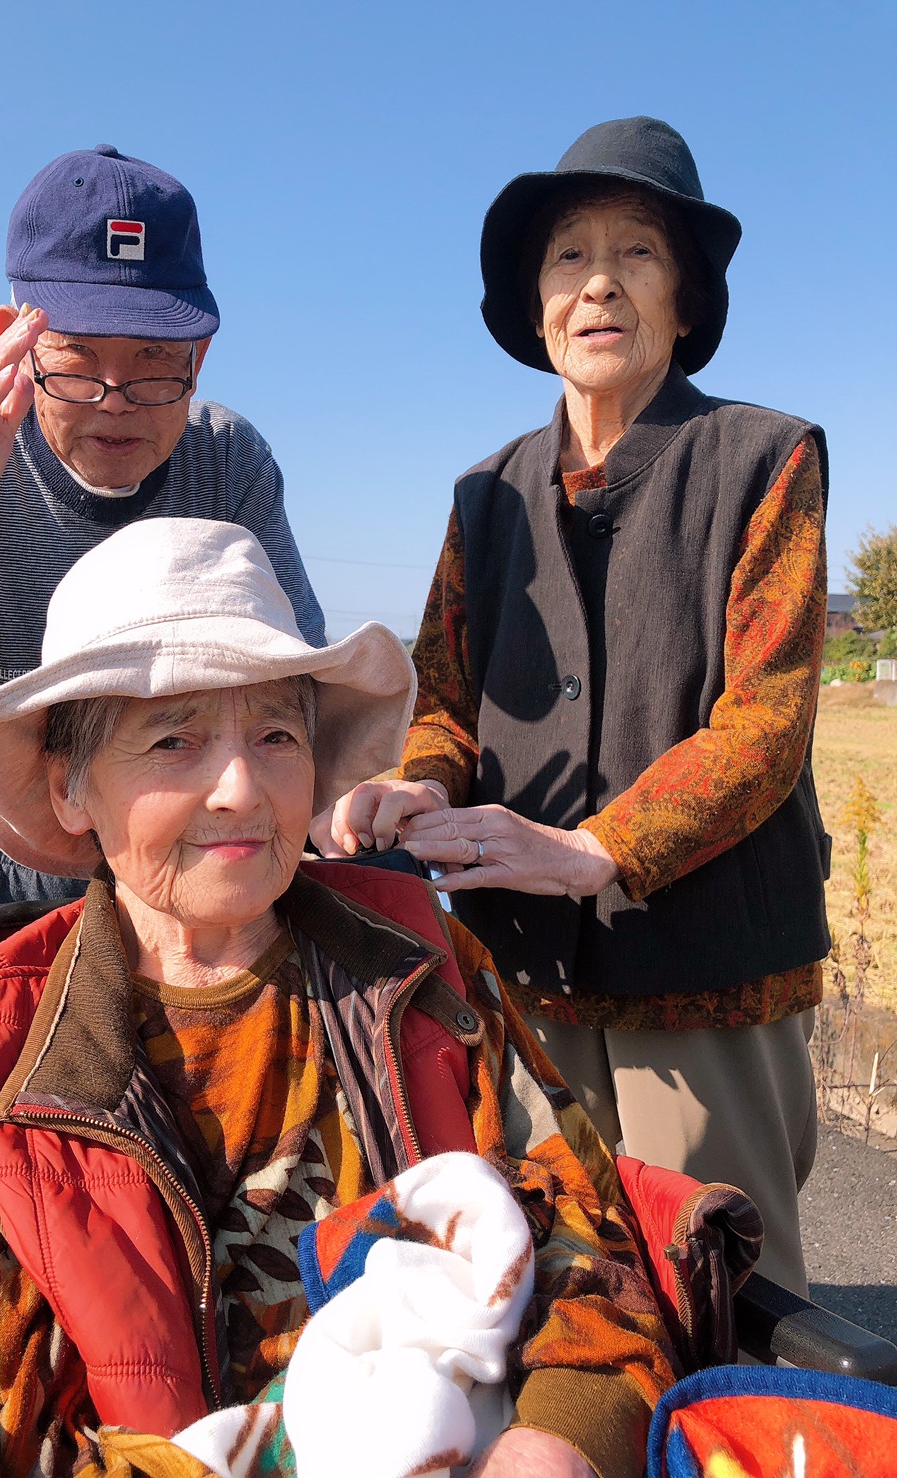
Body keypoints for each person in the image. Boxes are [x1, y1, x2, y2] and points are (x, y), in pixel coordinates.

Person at [0, 518, 675, 1478]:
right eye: (174, 740)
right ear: (68, 788)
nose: (241, 788)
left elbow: (582, 1230)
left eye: (276, 734)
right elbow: (27, 1439)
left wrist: (558, 1441)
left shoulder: (425, 968)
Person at [313, 117, 829, 1295]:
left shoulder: (763, 460)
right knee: (559, 1279)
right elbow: (447, 705)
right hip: (521, 972)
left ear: (685, 303)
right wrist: (417, 783)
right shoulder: (484, 496)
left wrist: (597, 848)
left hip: (703, 974)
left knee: (726, 1291)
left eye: (636, 252)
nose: (596, 281)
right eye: (567, 258)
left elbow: (766, 725)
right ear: (539, 307)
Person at [0, 145, 323, 992]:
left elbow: (293, 666)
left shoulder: (226, 460)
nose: (116, 398)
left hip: (186, 872)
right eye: (77, 359)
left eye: (155, 364)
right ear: (16, 339)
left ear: (201, 356)